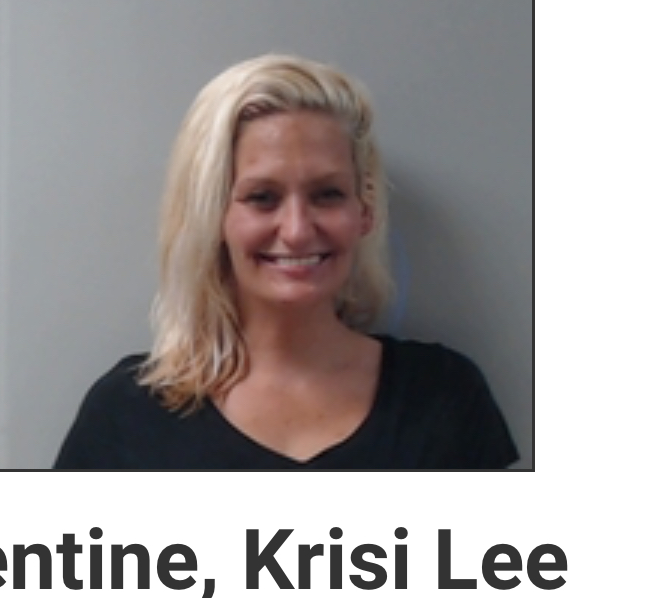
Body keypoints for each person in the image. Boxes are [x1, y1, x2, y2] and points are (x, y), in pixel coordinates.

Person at [54, 54, 518, 469]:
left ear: (365, 210)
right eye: (262, 197)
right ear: (213, 215)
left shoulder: (444, 397)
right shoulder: (127, 414)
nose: (296, 230)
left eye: (327, 194)